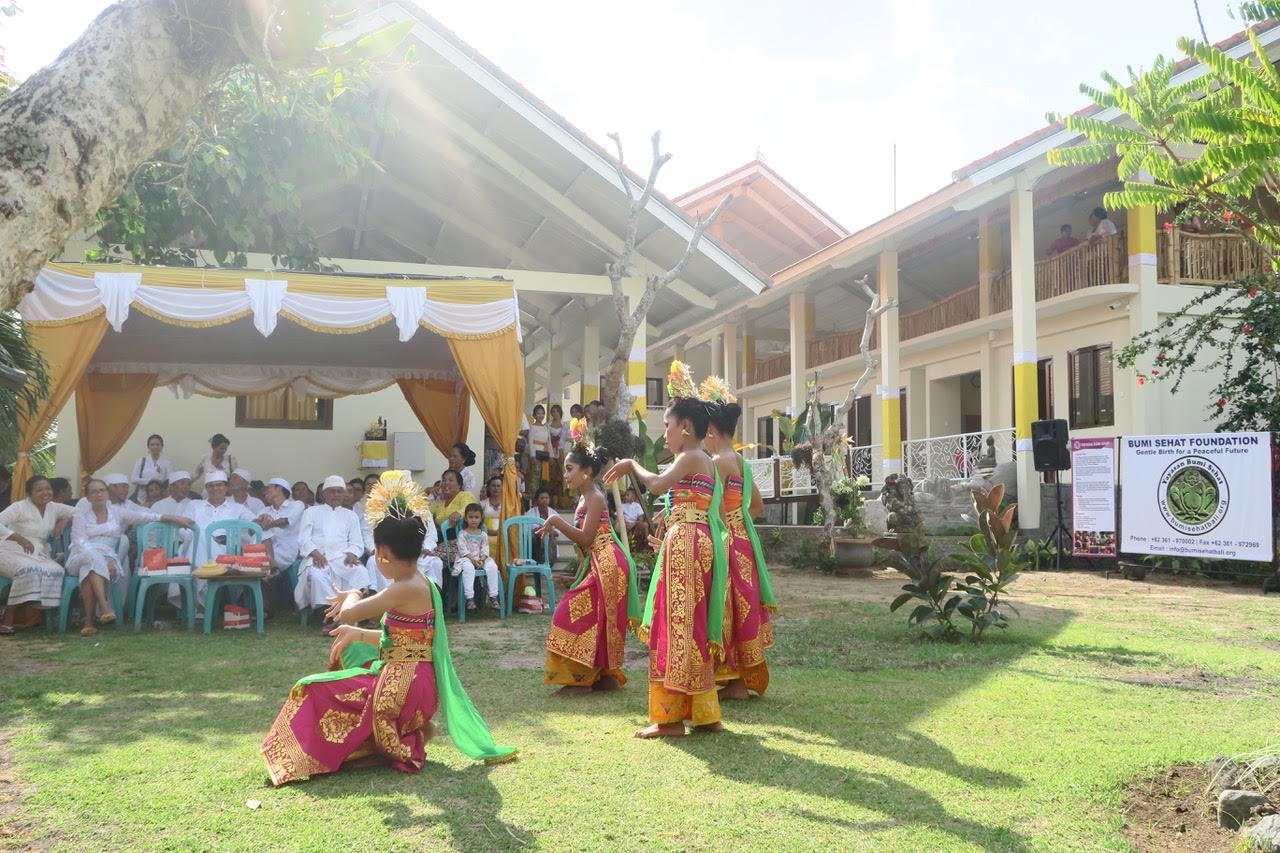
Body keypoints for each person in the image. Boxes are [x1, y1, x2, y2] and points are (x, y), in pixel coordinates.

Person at [260, 470, 516, 786]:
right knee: (348, 654)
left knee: (311, 686)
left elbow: (348, 614)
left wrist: (351, 594)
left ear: (382, 554)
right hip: (415, 684)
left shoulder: (403, 588)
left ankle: (402, 738)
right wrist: (358, 634)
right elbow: (403, 641)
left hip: (404, 687)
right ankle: (407, 730)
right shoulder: (421, 583)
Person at [604, 360, 729, 738]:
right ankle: (701, 712)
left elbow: (657, 485)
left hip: (688, 543)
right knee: (686, 621)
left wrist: (630, 465)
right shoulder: (701, 459)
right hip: (691, 540)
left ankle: (671, 718)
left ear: (685, 427)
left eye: (668, 426)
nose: (666, 434)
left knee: (676, 622)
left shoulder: (690, 456)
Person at [539, 437, 640, 693]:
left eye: (569, 468)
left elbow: (585, 538)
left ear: (587, 472)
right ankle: (604, 677)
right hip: (600, 562)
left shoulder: (594, 497)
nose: (565, 474)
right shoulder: (586, 498)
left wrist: (555, 520)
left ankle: (579, 679)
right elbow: (586, 545)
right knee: (597, 618)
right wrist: (573, 577)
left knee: (572, 614)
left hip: (608, 563)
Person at [700, 378, 777, 701]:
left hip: (727, 543)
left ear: (711, 432)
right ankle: (738, 680)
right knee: (742, 608)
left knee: (726, 607)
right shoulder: (743, 463)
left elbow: (713, 510)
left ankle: (732, 680)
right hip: (745, 542)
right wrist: (739, 524)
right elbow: (756, 506)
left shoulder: (717, 463)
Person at [67, 478, 191, 636]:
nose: (98, 494)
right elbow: (80, 542)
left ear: (107, 493)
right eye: (94, 492)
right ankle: (105, 608)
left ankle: (89, 623)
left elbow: (145, 517)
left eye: (101, 490)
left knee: (90, 568)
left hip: (105, 558)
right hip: (80, 556)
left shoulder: (117, 513)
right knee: (90, 560)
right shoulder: (81, 517)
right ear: (88, 497)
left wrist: (172, 518)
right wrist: (102, 558)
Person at [0, 475, 77, 635]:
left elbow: (82, 511)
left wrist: (66, 520)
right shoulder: (19, 507)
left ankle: (32, 606)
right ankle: (8, 619)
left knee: (56, 570)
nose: (45, 493)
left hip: (37, 552)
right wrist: (18, 537)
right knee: (29, 569)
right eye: (39, 490)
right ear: (29, 493)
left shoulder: (54, 507)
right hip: (9, 550)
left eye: (48, 488)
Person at [294, 475, 366, 627]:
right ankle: (329, 615)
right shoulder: (311, 512)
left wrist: (352, 553)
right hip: (319, 558)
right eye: (332, 491)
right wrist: (315, 553)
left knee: (360, 572)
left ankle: (353, 611)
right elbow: (303, 539)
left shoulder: (350, 515)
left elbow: (357, 541)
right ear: (324, 494)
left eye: (340, 492)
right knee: (317, 576)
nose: (336, 495)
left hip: (342, 558)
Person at [453, 503, 500, 611]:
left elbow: (485, 549)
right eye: (471, 517)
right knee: (468, 568)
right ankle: (470, 599)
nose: (473, 520)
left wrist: (482, 560)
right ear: (466, 518)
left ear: (481, 518)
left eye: (476, 517)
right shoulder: (462, 534)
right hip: (466, 558)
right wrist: (473, 560)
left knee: (492, 566)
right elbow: (462, 549)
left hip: (481, 558)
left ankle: (493, 597)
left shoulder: (483, 534)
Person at [258, 478, 304, 574]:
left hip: (287, 551)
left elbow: (286, 521)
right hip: (265, 550)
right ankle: (272, 567)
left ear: (279, 488)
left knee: (259, 565)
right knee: (259, 528)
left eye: (268, 488)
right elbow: (251, 531)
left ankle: (271, 567)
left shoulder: (297, 505)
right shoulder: (264, 510)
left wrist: (267, 524)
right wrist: (257, 522)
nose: (265, 492)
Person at [129, 434, 172, 503]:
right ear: (148, 447)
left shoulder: (167, 463)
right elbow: (133, 479)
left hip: (160, 498)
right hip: (142, 499)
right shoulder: (141, 460)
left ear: (161, 447)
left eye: (158, 444)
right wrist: (152, 482)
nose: (155, 446)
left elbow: (170, 480)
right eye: (152, 444)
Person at [525, 404, 551, 496]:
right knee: (535, 477)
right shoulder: (532, 427)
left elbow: (549, 442)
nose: (541, 415)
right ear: (534, 415)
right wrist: (532, 456)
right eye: (538, 413)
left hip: (545, 453)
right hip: (536, 454)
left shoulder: (546, 427)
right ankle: (533, 497)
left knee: (543, 478)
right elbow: (530, 441)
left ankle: (542, 497)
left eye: (542, 413)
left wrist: (550, 455)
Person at [529, 487, 557, 565]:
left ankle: (547, 560)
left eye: (546, 498)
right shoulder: (530, 512)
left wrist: (549, 531)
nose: (544, 500)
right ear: (537, 500)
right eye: (541, 498)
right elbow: (531, 528)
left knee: (547, 535)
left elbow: (558, 531)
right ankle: (544, 560)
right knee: (541, 534)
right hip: (534, 541)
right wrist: (544, 531)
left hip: (550, 539)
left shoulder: (554, 513)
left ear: (549, 499)